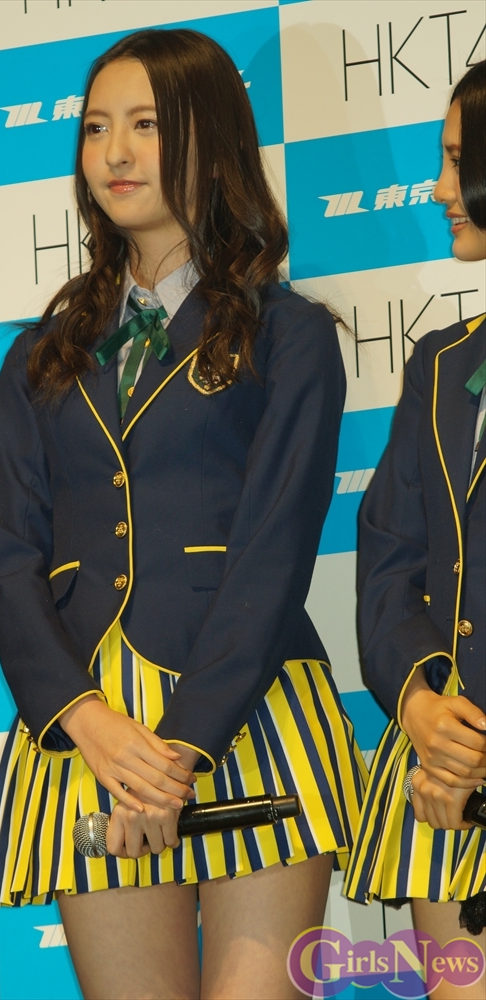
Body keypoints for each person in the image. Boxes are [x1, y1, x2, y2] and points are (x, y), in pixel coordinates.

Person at [0, 29, 366, 1000]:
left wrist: (183, 746)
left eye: (145, 125)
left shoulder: (289, 336)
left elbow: (274, 551)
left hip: (249, 711)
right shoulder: (39, 355)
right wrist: (87, 723)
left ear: (210, 138)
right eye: (96, 128)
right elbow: (6, 558)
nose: (113, 153)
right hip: (88, 729)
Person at [344, 61, 486, 1000]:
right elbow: (388, 564)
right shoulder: (439, 366)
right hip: (444, 783)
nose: (438, 188)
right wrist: (424, 710)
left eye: (457, 160)